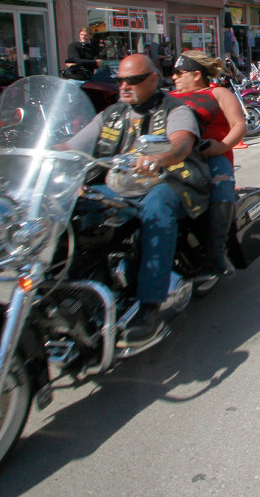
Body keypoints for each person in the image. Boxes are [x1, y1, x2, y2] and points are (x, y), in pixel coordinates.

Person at [61, 54, 206, 347]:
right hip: (120, 185)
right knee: (76, 211)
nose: (125, 86)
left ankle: (150, 305)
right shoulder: (111, 114)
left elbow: (181, 144)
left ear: (153, 79)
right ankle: (75, 291)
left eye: (133, 80)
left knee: (156, 211)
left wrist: (161, 157)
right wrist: (31, 153)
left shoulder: (175, 110)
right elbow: (72, 146)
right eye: (120, 80)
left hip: (171, 181)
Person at [169, 50, 246, 284]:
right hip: (173, 158)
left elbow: (239, 124)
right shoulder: (167, 97)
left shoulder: (218, 92)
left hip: (210, 155)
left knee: (221, 181)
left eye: (179, 73)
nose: (174, 78)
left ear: (196, 74)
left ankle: (216, 252)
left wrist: (221, 146)